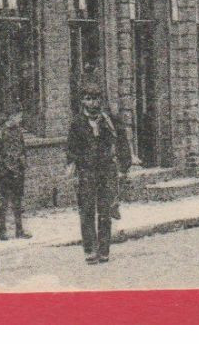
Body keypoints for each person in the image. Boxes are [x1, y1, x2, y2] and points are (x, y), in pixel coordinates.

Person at [66, 85, 130, 265]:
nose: (92, 102)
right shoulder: (77, 123)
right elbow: (71, 147)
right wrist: (71, 163)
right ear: (82, 101)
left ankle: (104, 250)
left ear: (100, 101)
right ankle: (90, 250)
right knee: (86, 211)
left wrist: (124, 167)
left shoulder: (109, 120)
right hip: (86, 172)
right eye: (88, 98)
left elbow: (122, 142)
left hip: (106, 171)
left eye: (95, 99)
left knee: (105, 211)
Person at [0, 110, 30, 240]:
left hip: (18, 171)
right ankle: (2, 231)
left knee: (17, 202)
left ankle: (19, 230)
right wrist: (4, 169)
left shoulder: (18, 131)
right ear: (12, 116)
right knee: (3, 202)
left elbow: (22, 149)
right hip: (4, 173)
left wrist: (23, 162)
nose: (20, 119)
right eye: (19, 116)